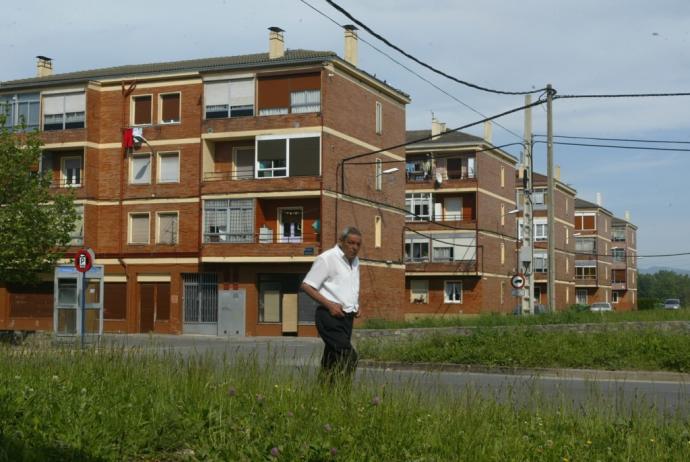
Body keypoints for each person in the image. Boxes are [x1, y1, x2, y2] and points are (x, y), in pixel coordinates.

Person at [301, 226, 362, 383]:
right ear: (341, 241)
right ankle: (342, 394)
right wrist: (330, 305)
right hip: (328, 316)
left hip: (346, 318)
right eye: (351, 243)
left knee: (332, 360)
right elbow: (307, 286)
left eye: (358, 244)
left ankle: (324, 396)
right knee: (349, 357)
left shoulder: (355, 261)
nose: (354, 247)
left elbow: (347, 286)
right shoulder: (327, 258)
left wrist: (354, 305)